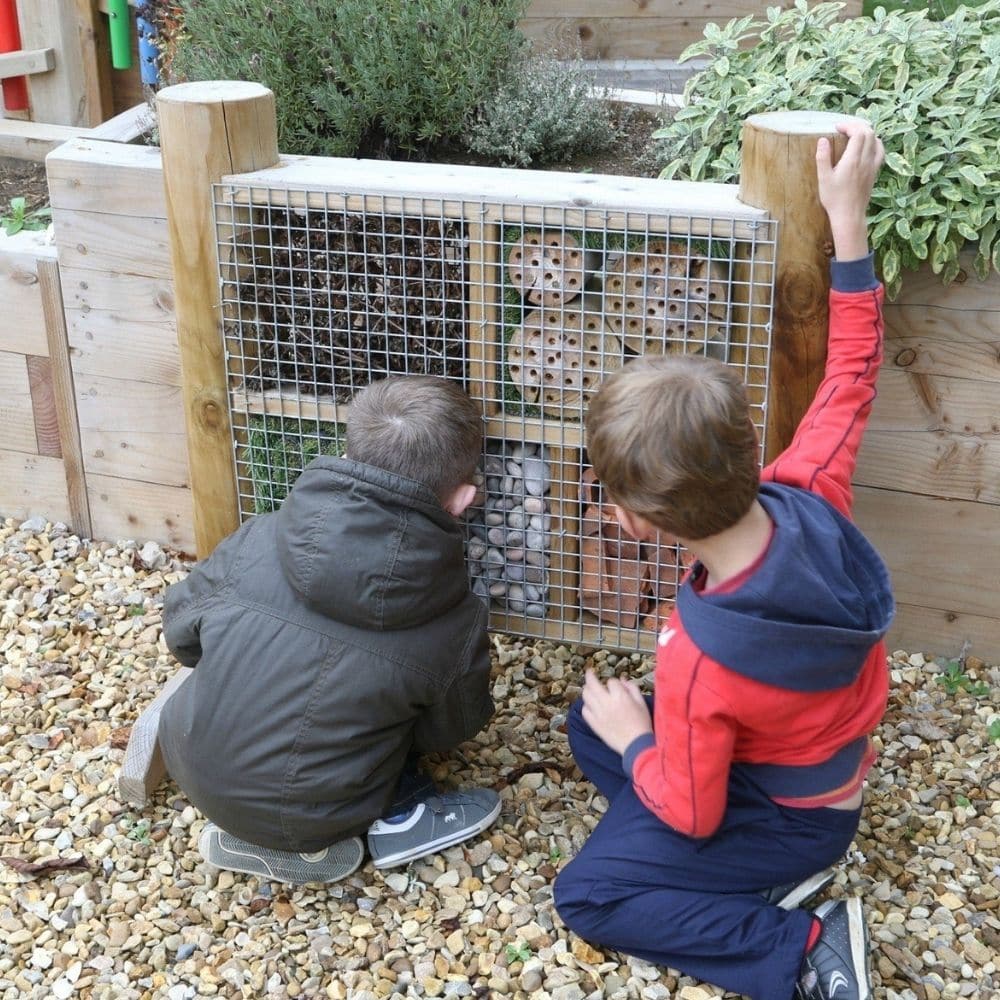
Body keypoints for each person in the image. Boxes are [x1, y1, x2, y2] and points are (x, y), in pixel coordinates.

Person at [553, 120, 891, 1000]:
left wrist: (640, 748)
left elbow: (695, 805)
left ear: (633, 524)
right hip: (814, 766)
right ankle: (712, 865)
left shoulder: (701, 658)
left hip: (785, 817)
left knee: (589, 891)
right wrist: (846, 221)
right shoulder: (810, 489)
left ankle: (802, 945)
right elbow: (852, 371)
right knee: (585, 720)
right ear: (747, 442)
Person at [157, 375, 501, 884]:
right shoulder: (455, 616)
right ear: (462, 499)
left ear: (347, 454)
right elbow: (452, 728)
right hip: (318, 812)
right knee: (390, 724)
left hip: (188, 757)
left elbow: (181, 633)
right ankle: (402, 818)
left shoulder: (260, 535)